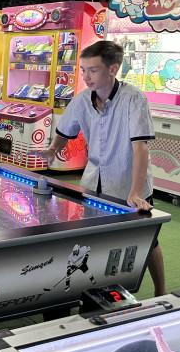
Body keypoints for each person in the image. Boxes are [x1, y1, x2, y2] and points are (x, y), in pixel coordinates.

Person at [36, 40, 167, 296]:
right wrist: (52, 149)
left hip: (129, 182)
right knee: (95, 237)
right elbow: (65, 131)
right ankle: (96, 288)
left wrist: (135, 192)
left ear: (113, 69)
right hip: (93, 182)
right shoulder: (81, 100)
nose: (86, 76)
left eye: (93, 70)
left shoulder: (134, 99)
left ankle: (160, 289)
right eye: (83, 70)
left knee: (147, 240)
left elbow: (140, 148)